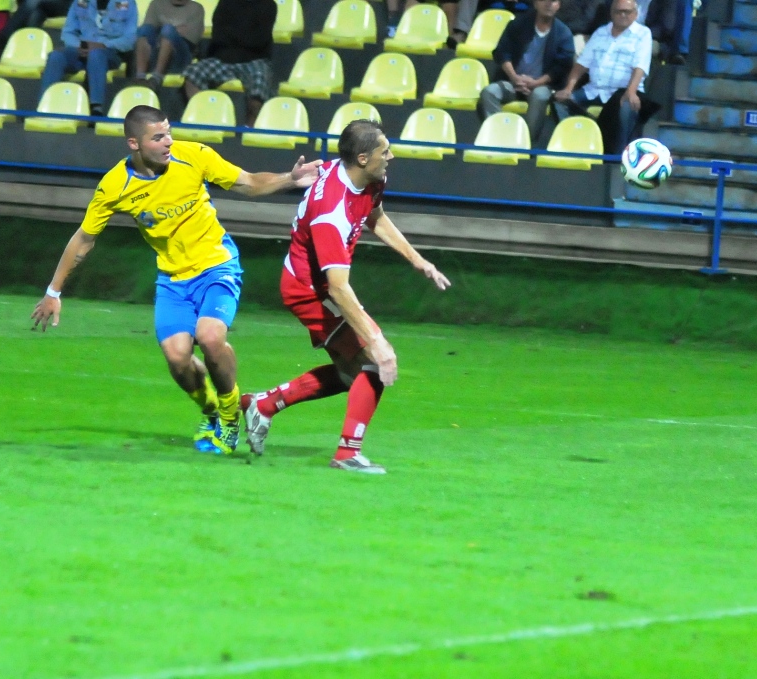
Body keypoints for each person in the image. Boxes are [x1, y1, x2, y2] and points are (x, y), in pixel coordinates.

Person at [31, 105, 322, 455]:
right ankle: (211, 410)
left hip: (217, 264)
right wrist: (53, 291)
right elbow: (84, 239)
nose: (168, 141)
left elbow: (247, 182)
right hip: (173, 279)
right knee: (177, 358)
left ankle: (230, 413)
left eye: (168, 132)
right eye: (158, 137)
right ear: (134, 144)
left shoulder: (194, 155)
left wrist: (290, 179)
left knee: (210, 337)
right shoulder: (115, 186)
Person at [240, 120, 452, 474]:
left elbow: (375, 216)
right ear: (363, 158)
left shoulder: (367, 177)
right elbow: (338, 288)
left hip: (319, 286)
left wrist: (417, 260)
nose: (391, 156)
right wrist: (376, 341)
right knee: (374, 362)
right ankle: (346, 454)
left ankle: (263, 405)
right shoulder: (331, 212)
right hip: (310, 291)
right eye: (385, 151)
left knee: (351, 371)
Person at [553, 0, 656, 154]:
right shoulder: (600, 32)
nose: (622, 15)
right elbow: (581, 64)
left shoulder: (643, 34)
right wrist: (568, 89)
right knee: (559, 102)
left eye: (627, 11)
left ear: (635, 14)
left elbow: (640, 66)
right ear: (611, 13)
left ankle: (617, 157)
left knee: (627, 106)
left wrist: (631, 91)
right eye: (618, 11)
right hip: (593, 90)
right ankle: (579, 143)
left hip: (623, 91)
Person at [478, 0, 574, 144]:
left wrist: (537, 82)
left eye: (554, 1)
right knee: (489, 92)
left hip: (543, 85)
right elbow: (502, 53)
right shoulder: (518, 24)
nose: (548, 3)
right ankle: (499, 139)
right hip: (514, 82)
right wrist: (514, 78)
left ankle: (525, 144)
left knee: (539, 95)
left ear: (558, 5)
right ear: (535, 3)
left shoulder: (563, 33)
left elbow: (562, 66)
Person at [182, 0, 276, 127]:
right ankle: (206, 118)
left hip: (254, 59)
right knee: (192, 74)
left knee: (259, 86)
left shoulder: (268, 5)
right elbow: (218, 34)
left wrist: (232, 36)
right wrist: (241, 36)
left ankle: (249, 130)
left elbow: (259, 39)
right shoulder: (225, 3)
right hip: (223, 58)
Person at [39, 0, 138, 117]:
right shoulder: (80, 1)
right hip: (80, 49)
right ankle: (43, 106)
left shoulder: (128, 3)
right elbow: (67, 32)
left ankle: (96, 109)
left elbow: (129, 39)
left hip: (110, 51)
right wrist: (79, 45)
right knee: (56, 56)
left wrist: (103, 45)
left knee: (96, 54)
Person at [134, 0, 204, 91]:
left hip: (181, 55)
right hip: (156, 50)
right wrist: (175, 30)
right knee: (144, 30)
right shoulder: (156, 4)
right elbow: (149, 28)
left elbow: (193, 38)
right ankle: (140, 77)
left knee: (168, 30)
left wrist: (168, 31)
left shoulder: (196, 8)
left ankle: (156, 78)